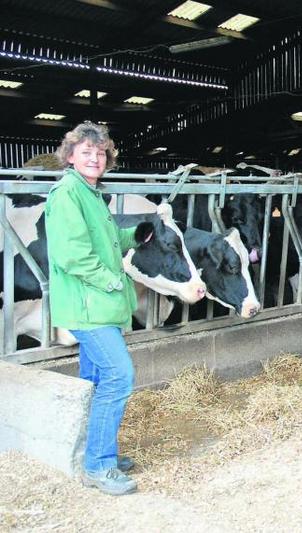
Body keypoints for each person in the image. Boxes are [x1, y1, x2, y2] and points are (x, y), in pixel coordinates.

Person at [46, 121, 153, 496]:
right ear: (71, 156)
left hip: (96, 305)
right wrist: (111, 281)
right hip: (87, 306)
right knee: (118, 375)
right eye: (86, 152)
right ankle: (98, 467)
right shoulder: (67, 195)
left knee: (94, 382)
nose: (94, 158)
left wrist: (134, 234)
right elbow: (72, 255)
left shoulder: (91, 193)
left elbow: (105, 240)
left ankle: (97, 451)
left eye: (100, 152)